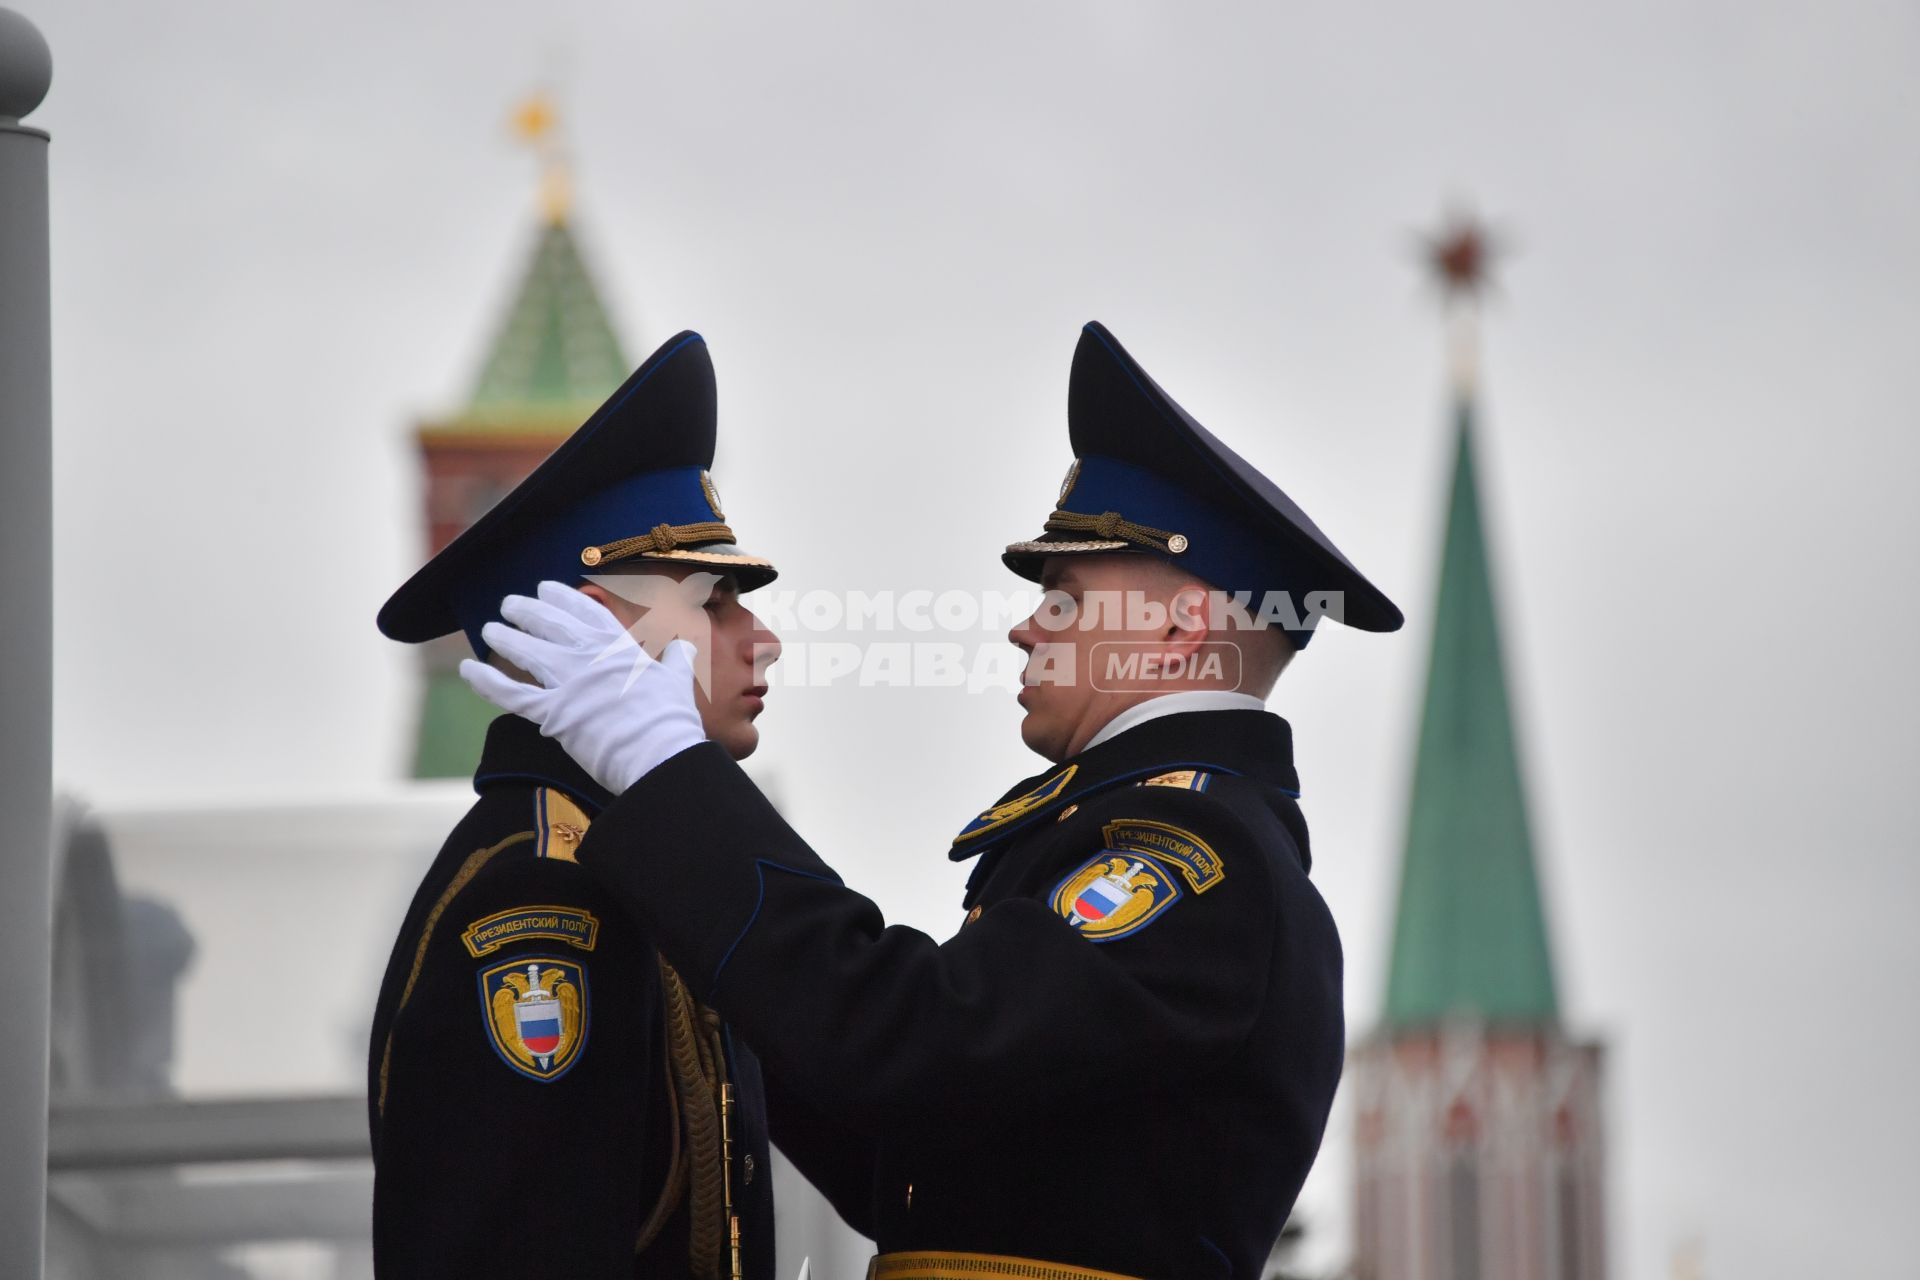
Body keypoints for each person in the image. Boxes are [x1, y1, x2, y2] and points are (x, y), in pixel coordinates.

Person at [462, 321, 1404, 1279]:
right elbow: (912, 1157)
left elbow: (913, 1045)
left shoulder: (1195, 853)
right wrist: (700, 919)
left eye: (1067, 598)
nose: (1025, 628)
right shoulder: (1142, 826)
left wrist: (666, 772)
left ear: (1173, 628)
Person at [368, 330, 784, 1279]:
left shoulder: (629, 859)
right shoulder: (547, 895)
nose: (761, 641)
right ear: (589, 630)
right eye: (716, 602)